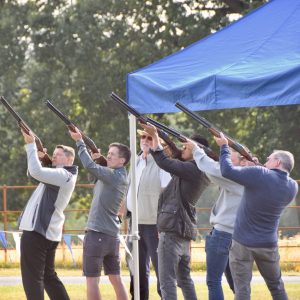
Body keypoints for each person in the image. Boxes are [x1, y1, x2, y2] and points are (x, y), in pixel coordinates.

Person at [215, 132, 298, 300]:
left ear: (277, 162)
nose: (266, 160)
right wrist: (256, 166)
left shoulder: (260, 174)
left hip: (242, 243)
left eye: (269, 159)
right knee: (276, 287)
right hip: (268, 244)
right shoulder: (292, 187)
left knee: (242, 290)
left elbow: (226, 170)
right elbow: (270, 180)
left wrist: (224, 147)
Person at [141, 123, 210, 300]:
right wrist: (161, 138)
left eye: (185, 146)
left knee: (167, 281)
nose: (182, 149)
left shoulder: (192, 169)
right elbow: (172, 159)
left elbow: (163, 161)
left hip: (172, 230)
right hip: (182, 229)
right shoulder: (198, 169)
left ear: (196, 150)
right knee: (184, 280)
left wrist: (155, 135)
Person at [184, 139, 256, 300]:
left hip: (223, 234)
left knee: (213, 281)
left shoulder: (236, 176)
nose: (226, 158)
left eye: (230, 155)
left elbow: (211, 169)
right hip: (241, 237)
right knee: (238, 284)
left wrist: (196, 150)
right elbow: (213, 170)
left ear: (243, 160)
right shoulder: (255, 176)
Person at [69, 127, 131, 300]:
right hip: (110, 235)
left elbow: (88, 165)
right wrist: (98, 160)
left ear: (122, 160)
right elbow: (93, 176)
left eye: (112, 154)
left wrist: (79, 142)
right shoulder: (117, 175)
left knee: (92, 281)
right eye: (108, 153)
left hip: (97, 234)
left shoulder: (114, 175)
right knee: (115, 278)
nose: (109, 155)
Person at [19, 129, 78, 300]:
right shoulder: (61, 174)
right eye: (53, 154)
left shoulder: (63, 174)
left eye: (58, 155)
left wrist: (30, 145)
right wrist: (37, 157)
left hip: (38, 231)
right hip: (46, 231)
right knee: (47, 277)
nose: (53, 157)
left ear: (69, 159)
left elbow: (36, 172)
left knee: (32, 278)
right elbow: (32, 172)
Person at [126, 129, 171, 300]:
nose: (144, 140)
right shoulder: (136, 162)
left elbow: (168, 194)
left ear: (158, 141)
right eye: (143, 137)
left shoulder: (163, 164)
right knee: (135, 270)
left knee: (162, 270)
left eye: (149, 137)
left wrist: (163, 223)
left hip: (155, 224)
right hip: (135, 223)